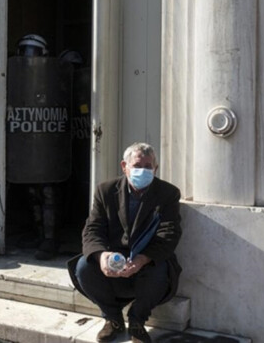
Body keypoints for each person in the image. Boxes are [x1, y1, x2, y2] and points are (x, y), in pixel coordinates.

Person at [67, 142, 182, 343]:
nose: (143, 171)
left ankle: (137, 321)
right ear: (124, 166)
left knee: (160, 269)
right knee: (84, 266)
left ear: (155, 169)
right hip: (115, 262)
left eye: (148, 167)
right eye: (137, 166)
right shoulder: (105, 191)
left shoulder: (167, 194)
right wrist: (102, 256)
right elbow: (93, 229)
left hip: (146, 261)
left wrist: (141, 259)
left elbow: (169, 233)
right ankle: (113, 318)